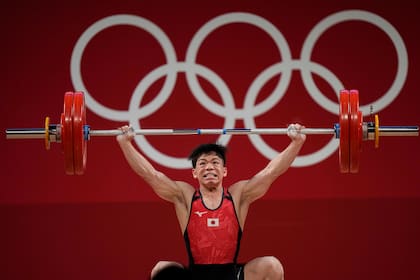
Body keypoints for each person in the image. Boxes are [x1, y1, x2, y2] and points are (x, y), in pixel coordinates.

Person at [116, 124, 306, 280]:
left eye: (215, 162)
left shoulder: (238, 196)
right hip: (195, 277)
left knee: (272, 266)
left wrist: (296, 143)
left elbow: (270, 172)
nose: (209, 167)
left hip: (232, 276)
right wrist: (125, 144)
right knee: (161, 269)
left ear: (224, 171)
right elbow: (151, 175)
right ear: (194, 173)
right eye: (202, 163)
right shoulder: (185, 196)